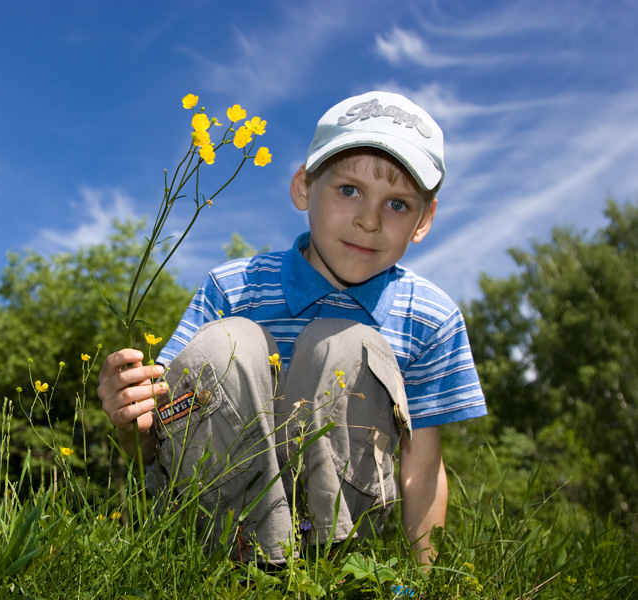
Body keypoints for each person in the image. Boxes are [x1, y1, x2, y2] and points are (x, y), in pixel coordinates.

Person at [98, 91, 487, 566]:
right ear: (304, 187)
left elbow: (421, 467)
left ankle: (328, 565)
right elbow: (152, 442)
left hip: (341, 546)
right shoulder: (234, 287)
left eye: (399, 205)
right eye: (349, 190)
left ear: (424, 220)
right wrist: (131, 420)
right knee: (228, 343)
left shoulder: (430, 317)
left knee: (350, 346)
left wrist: (429, 582)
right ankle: (226, 563)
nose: (369, 220)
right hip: (214, 533)